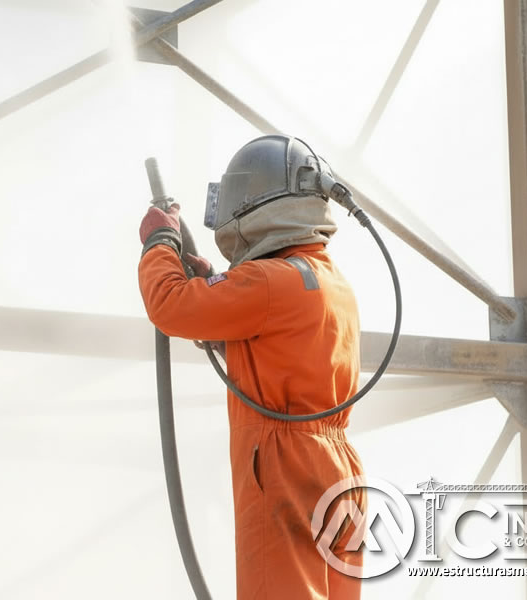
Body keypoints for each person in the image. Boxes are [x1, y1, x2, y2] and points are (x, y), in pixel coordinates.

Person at [138, 135, 365, 599]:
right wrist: (218, 295)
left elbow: (170, 305)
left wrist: (160, 240)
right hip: (338, 470)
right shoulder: (328, 282)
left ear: (254, 205)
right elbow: (282, 352)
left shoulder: (267, 280)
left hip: (284, 467)